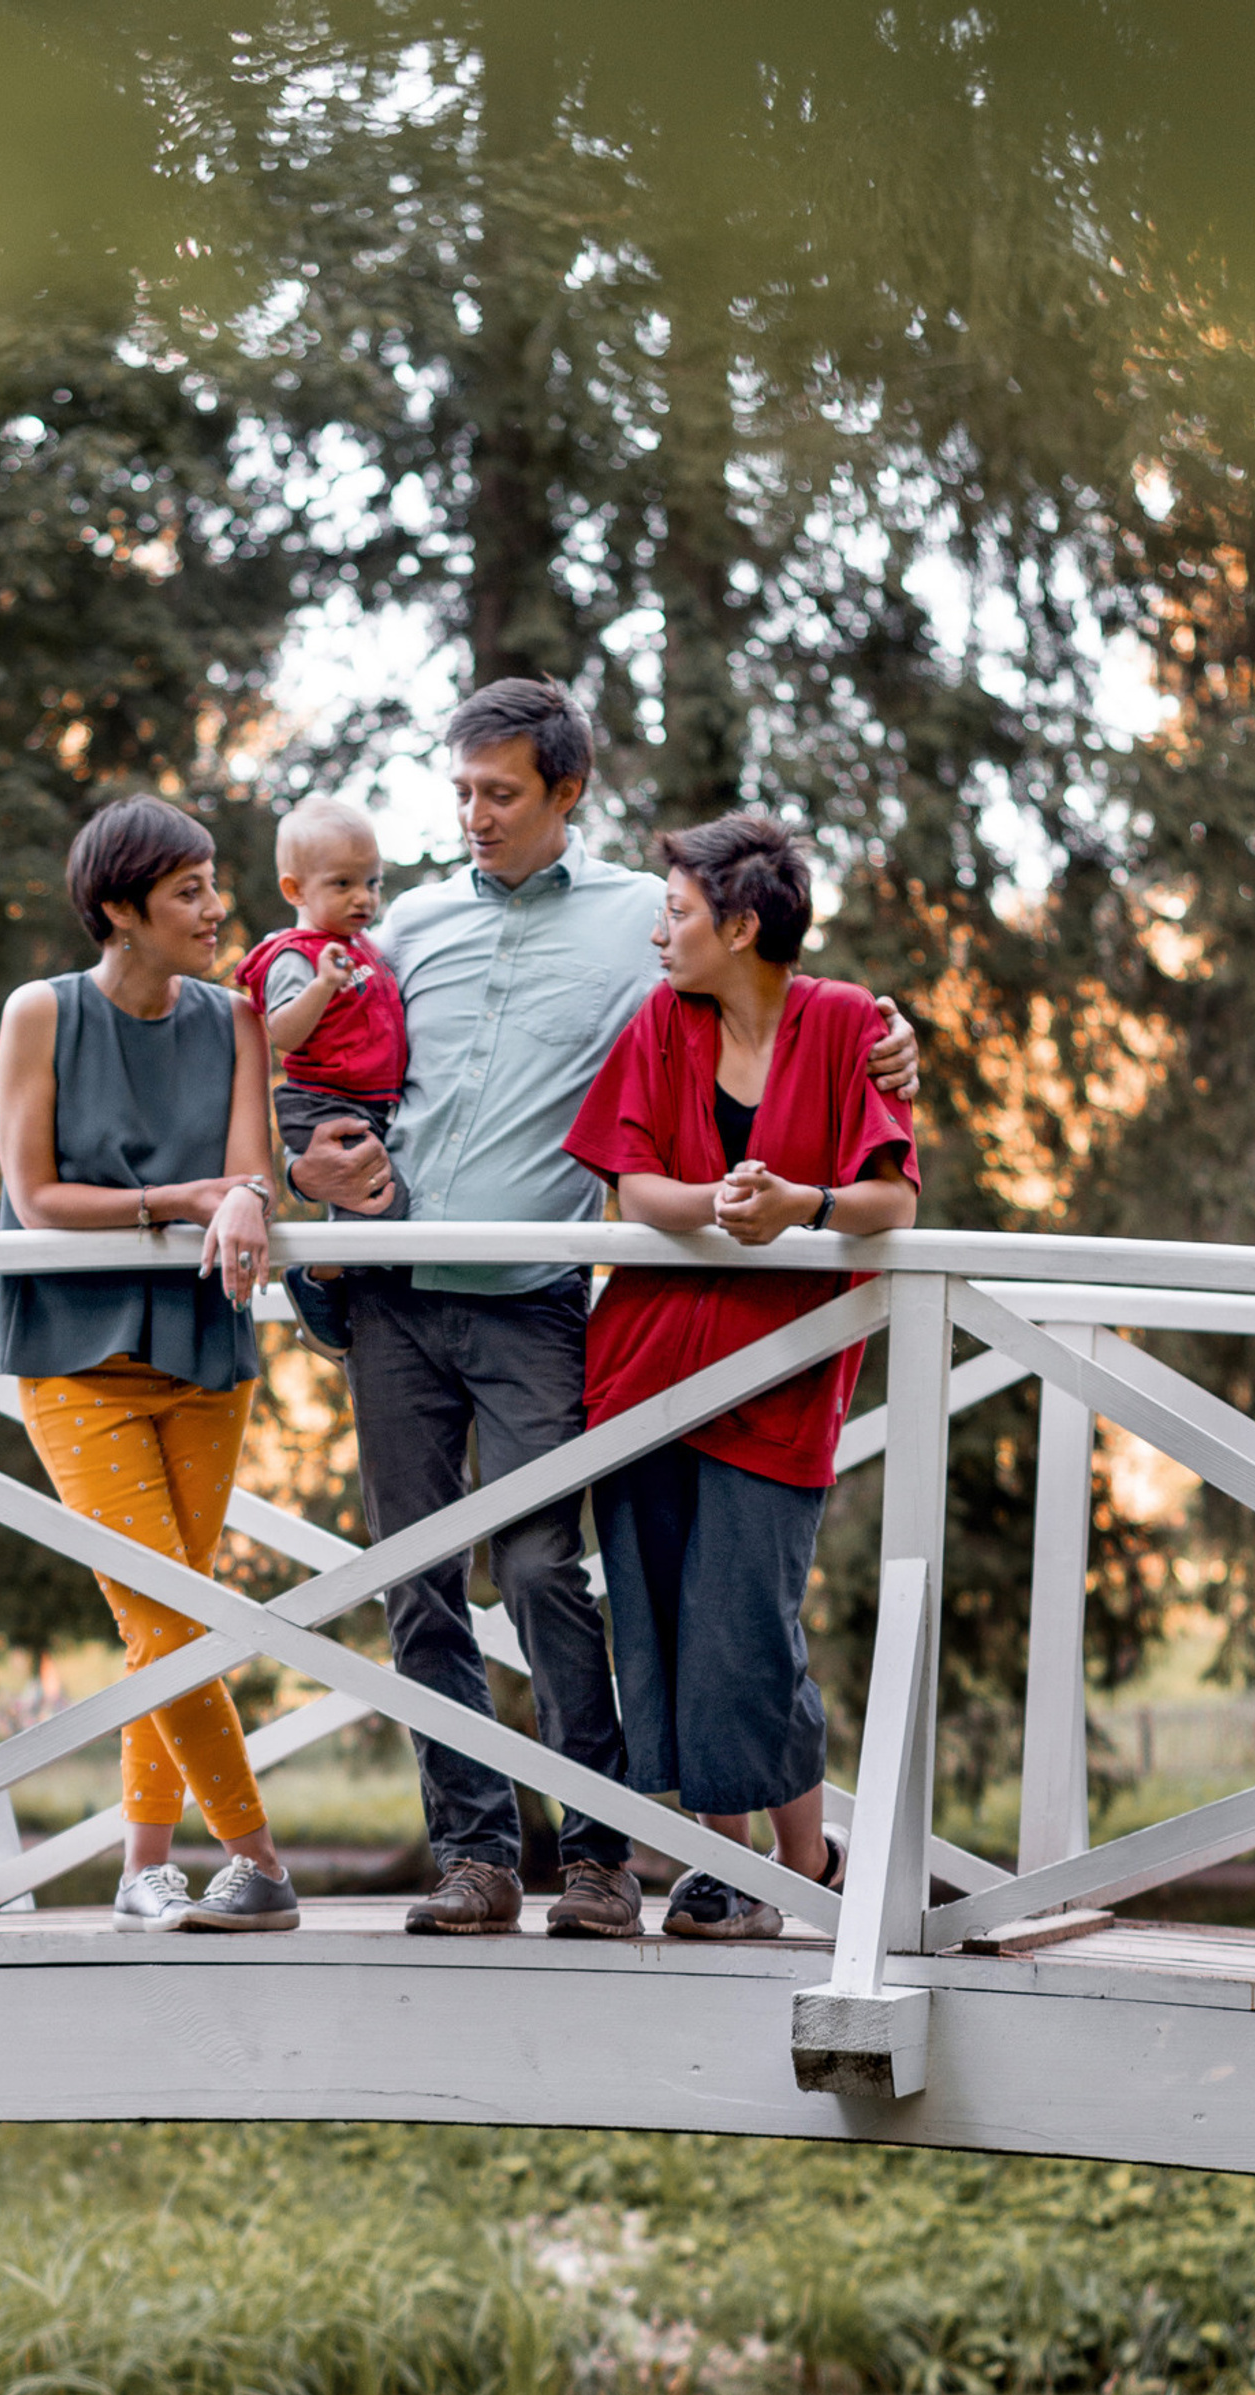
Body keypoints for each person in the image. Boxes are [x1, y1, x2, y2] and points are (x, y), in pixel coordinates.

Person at [285, 678, 921, 1940]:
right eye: (462, 792)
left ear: (565, 792)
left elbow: (778, 982)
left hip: (532, 1306)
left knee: (540, 1568)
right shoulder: (405, 924)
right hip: (394, 1300)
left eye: (500, 793)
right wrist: (306, 1172)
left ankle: (596, 1856)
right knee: (416, 1584)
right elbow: (314, 1050)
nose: (473, 816)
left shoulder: (646, 918)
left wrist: (890, 1034)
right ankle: (473, 1858)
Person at [564, 814, 919, 1939]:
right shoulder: (660, 1022)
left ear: (741, 926)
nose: (659, 934)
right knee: (660, 1626)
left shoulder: (850, 1022)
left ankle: (803, 1864)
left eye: (675, 914)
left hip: (783, 1377)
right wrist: (720, 1207)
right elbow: (631, 1186)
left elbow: (891, 1200)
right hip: (643, 1371)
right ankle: (721, 1869)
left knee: (747, 1631)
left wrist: (803, 1205)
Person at [0, 794, 301, 1936]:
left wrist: (247, 1195)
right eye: (188, 891)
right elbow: (36, 1199)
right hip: (74, 1351)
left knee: (161, 1622)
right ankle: (259, 1862)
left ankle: (143, 1870)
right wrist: (182, 1200)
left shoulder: (237, 1020)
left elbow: (249, 1172)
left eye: (212, 883)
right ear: (121, 910)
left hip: (205, 1346)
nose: (216, 908)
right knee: (169, 1618)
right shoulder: (42, 1012)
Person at [231, 797, 411, 1351]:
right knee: (382, 1200)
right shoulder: (296, 957)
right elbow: (283, 1031)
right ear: (294, 890)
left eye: (373, 883)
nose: (364, 898)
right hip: (323, 1101)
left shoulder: (361, 948)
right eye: (343, 884)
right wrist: (323, 985)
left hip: (366, 1099)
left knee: (379, 1202)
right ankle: (315, 1280)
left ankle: (345, 1290)